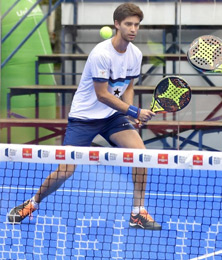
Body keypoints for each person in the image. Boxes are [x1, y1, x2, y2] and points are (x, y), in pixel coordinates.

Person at [7, 3, 162, 230]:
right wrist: (134, 111)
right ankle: (32, 203)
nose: (133, 29)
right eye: (128, 24)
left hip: (112, 117)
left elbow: (128, 87)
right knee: (66, 170)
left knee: (140, 155)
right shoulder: (101, 54)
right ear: (116, 24)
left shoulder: (135, 54)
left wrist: (128, 112)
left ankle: (137, 212)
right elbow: (102, 95)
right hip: (84, 118)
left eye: (137, 25)